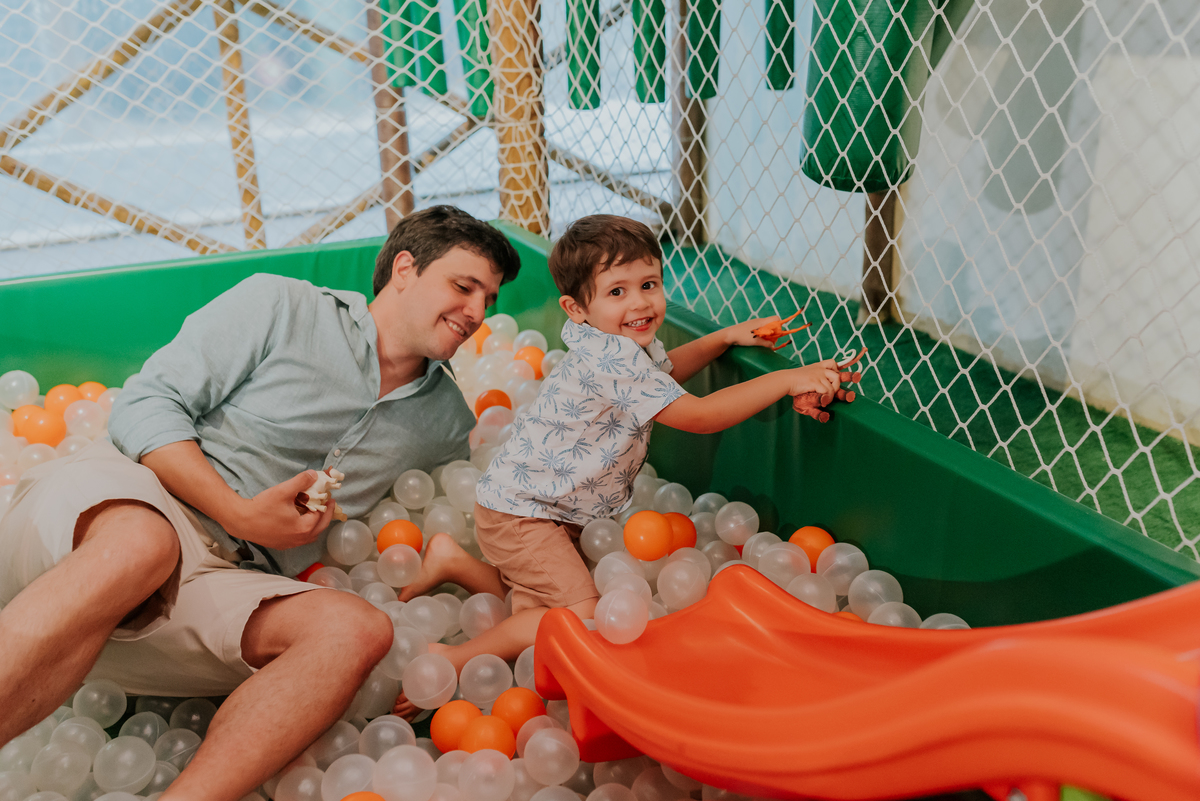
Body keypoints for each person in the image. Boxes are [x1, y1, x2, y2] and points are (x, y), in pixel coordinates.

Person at [0, 206, 521, 801]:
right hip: (125, 502)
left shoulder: (446, 421)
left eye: (490, 299)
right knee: (143, 545)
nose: (477, 313)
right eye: (463, 286)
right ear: (405, 268)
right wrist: (238, 509)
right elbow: (146, 404)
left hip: (219, 578)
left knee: (356, 631)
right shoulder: (281, 305)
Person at [394, 214, 855, 704]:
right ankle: (453, 657)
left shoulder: (619, 343)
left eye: (649, 284)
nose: (639, 302)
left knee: (532, 606)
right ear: (576, 308)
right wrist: (786, 379)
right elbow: (698, 416)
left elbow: (666, 371)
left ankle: (455, 561)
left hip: (549, 507)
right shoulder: (611, 358)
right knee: (583, 615)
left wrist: (724, 338)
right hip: (524, 515)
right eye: (616, 292)